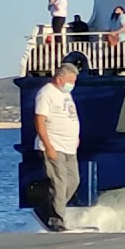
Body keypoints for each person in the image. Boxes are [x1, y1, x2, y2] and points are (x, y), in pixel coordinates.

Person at [34, 63, 80, 232]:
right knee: (59, 182)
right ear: (60, 79)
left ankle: (46, 209)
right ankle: (56, 219)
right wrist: (48, 146)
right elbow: (39, 120)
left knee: (73, 180)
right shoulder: (47, 93)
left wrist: (76, 136)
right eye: (70, 81)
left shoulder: (65, 94)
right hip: (54, 145)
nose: (72, 84)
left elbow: (69, 116)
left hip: (69, 146)